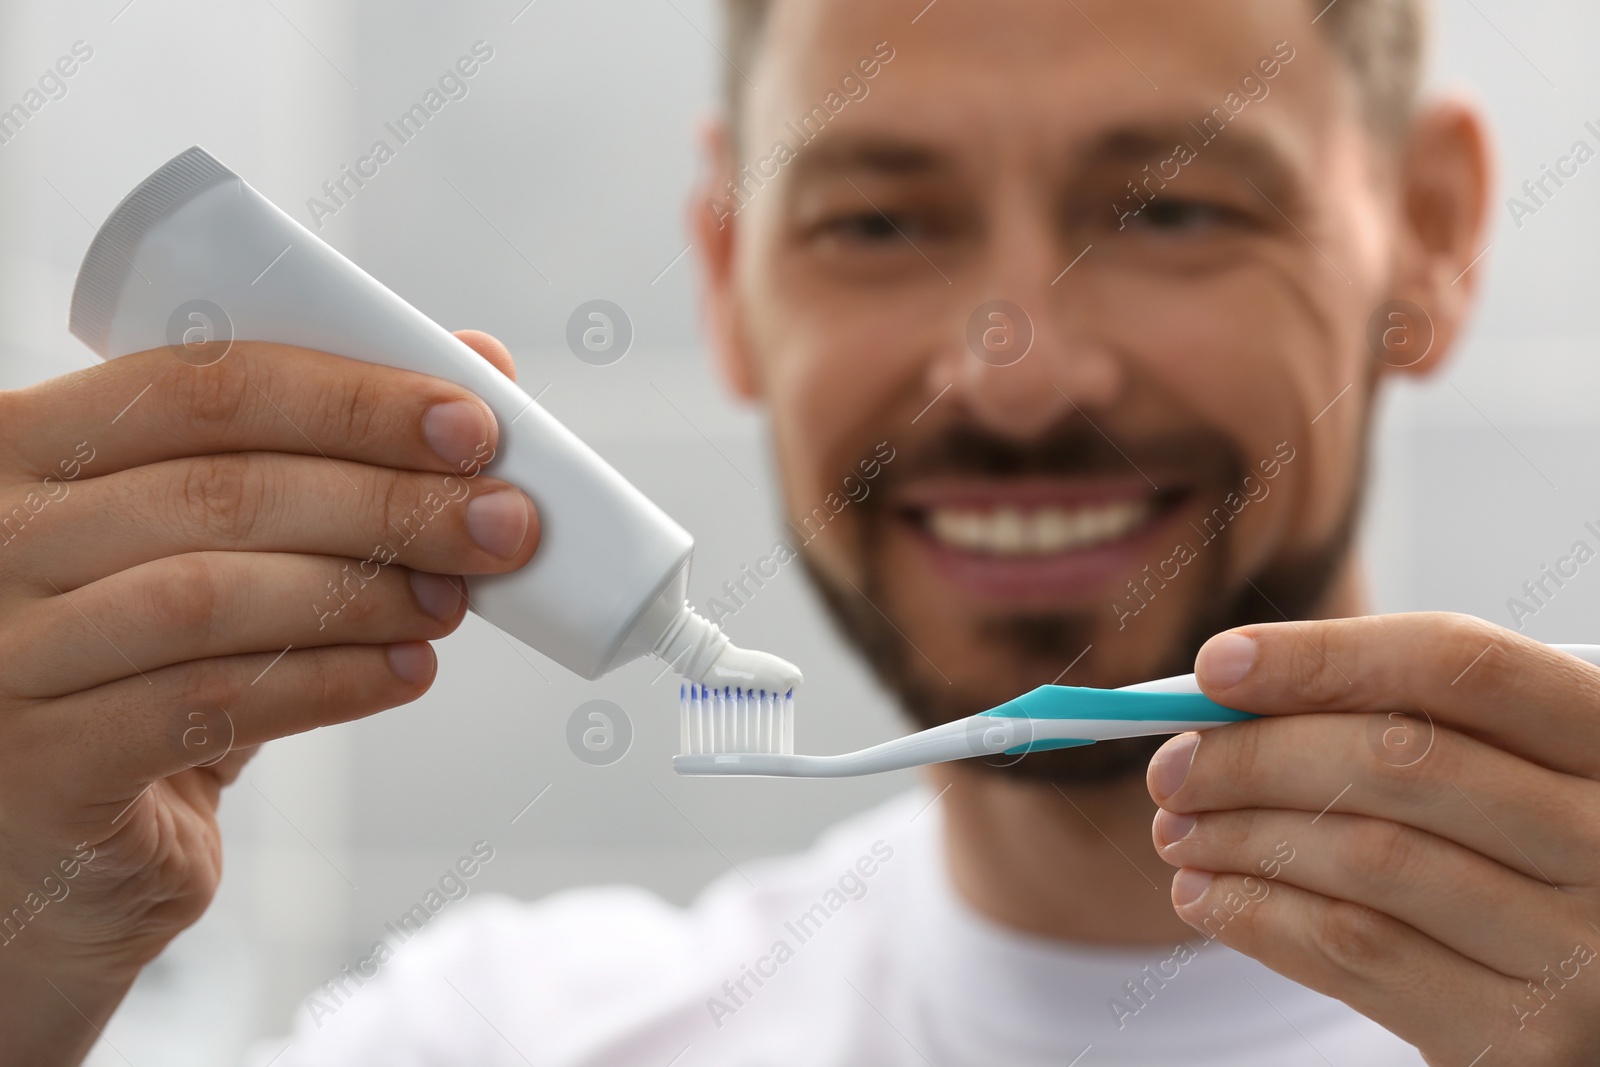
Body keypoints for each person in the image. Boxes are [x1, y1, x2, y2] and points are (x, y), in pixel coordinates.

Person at [2, 0, 1596, 1063]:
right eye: (877, 220)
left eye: (1173, 210)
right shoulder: (493, 1037)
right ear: (728, 273)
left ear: (1435, 233)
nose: (1015, 377)